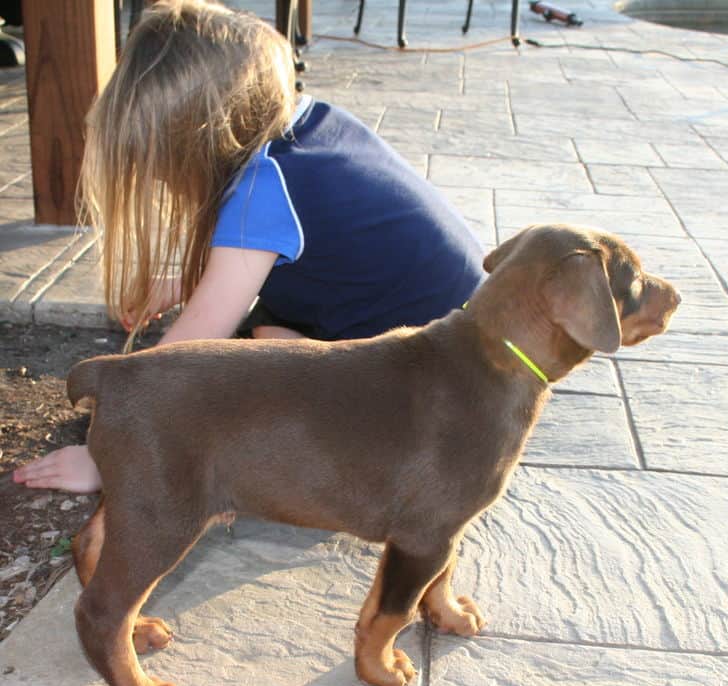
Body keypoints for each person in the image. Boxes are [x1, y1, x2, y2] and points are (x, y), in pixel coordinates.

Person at [13, 0, 485, 494]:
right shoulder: (306, 126)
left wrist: (106, 457)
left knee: (240, 377)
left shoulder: (262, 192)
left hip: (429, 417)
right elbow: (270, 252)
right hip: (466, 370)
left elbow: (185, 357)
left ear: (192, 145)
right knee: (267, 332)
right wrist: (183, 283)